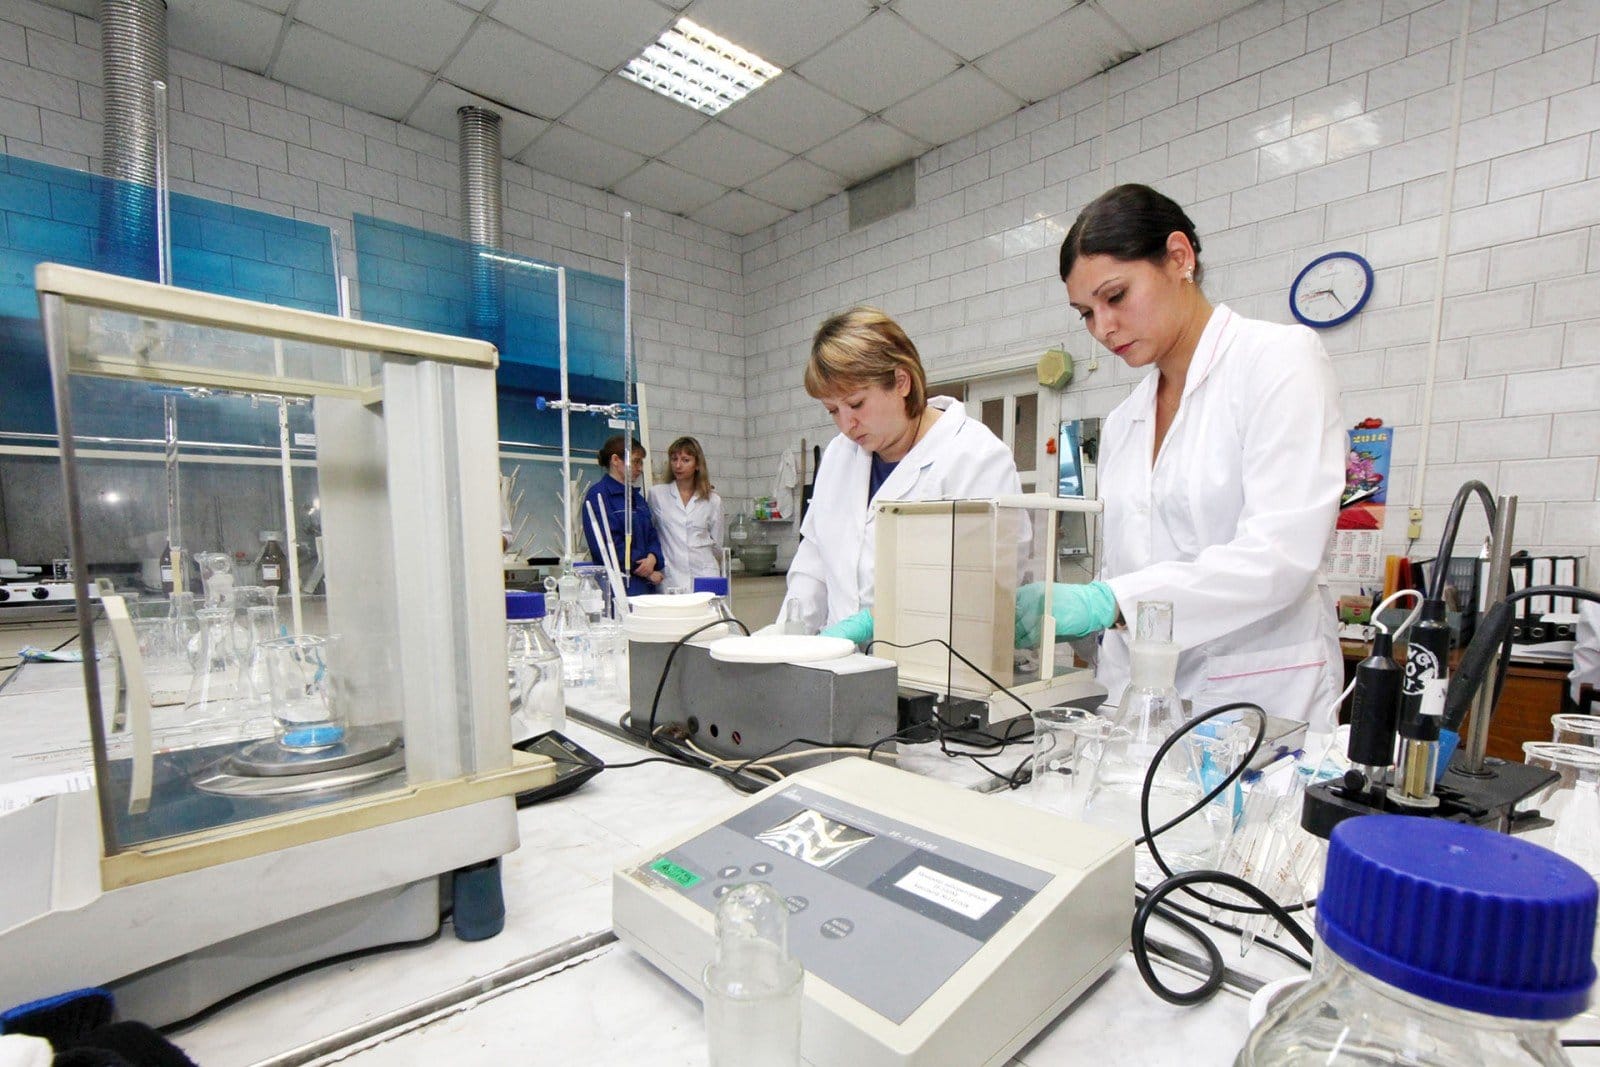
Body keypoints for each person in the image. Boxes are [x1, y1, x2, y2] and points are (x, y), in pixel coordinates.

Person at [1020, 183, 1344, 722]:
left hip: (1258, 698)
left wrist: (1112, 602)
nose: (1103, 328)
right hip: (1139, 702)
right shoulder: (1126, 420)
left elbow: (1280, 555)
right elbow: (1127, 565)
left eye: (1115, 297)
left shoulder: (1279, 362)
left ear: (1178, 257)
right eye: (1085, 313)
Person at [778, 307, 1022, 645]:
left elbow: (985, 592)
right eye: (833, 411)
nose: (846, 424)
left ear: (901, 382)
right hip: (839, 663)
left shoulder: (976, 458)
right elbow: (815, 564)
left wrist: (879, 621)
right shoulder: (838, 455)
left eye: (856, 404)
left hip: (930, 665)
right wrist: (786, 639)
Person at [582, 436, 664, 598]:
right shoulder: (598, 496)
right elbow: (607, 545)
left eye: (641, 463)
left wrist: (653, 558)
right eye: (635, 462)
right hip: (618, 588)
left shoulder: (637, 498)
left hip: (645, 588)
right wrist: (646, 570)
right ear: (615, 460)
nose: (640, 468)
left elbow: (652, 535)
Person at [647, 436, 724, 591]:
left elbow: (717, 546)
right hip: (671, 577)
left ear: (697, 464)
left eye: (685, 460)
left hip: (704, 575)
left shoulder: (713, 500)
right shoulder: (657, 495)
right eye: (674, 459)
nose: (678, 465)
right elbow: (650, 535)